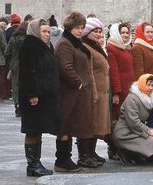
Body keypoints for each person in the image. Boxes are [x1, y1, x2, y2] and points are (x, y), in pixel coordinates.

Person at [17, 19, 61, 176]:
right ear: (36, 31)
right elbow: (28, 72)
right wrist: (33, 94)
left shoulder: (45, 46)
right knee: (32, 129)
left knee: (38, 129)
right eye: (44, 31)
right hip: (32, 97)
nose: (47, 35)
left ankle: (36, 162)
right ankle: (32, 165)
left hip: (43, 96)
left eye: (49, 32)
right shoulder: (29, 46)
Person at [54, 11, 93, 172]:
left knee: (72, 126)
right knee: (66, 126)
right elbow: (65, 67)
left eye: (82, 28)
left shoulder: (75, 43)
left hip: (77, 94)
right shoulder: (65, 44)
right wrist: (78, 83)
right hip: (69, 93)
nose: (80, 31)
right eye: (77, 27)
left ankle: (66, 159)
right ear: (70, 27)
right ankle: (62, 160)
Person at [112, 74, 153, 164]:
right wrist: (147, 131)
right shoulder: (132, 99)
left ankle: (143, 155)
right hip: (125, 133)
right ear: (142, 84)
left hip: (136, 130)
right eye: (148, 85)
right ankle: (126, 151)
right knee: (151, 140)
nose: (150, 88)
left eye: (152, 85)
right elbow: (133, 122)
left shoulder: (149, 97)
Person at [80, 18, 110, 168]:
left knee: (97, 123)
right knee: (89, 124)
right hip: (93, 92)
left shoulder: (96, 47)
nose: (98, 34)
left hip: (102, 92)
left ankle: (91, 152)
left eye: (100, 31)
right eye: (95, 32)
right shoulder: (86, 47)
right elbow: (89, 71)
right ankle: (84, 155)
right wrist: (93, 91)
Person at [106, 22, 136, 130]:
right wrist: (116, 93)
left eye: (127, 33)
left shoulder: (126, 48)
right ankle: (114, 144)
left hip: (129, 88)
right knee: (117, 118)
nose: (125, 35)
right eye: (122, 33)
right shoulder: (111, 48)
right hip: (120, 90)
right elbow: (114, 72)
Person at [5, 20, 29, 116]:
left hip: (15, 65)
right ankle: (24, 106)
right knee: (25, 85)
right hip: (27, 64)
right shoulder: (28, 39)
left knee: (15, 86)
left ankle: (17, 105)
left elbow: (7, 52)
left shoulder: (13, 38)